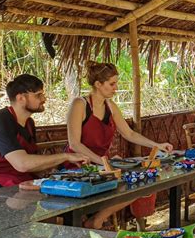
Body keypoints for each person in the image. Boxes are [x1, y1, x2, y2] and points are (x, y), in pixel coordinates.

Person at [66, 61, 173, 229]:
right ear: (98, 84)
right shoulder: (80, 104)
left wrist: (157, 145)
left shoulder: (111, 106)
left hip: (103, 166)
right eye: (112, 84)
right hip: (77, 166)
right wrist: (104, 162)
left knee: (139, 184)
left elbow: (128, 133)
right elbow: (75, 144)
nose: (115, 88)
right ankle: (93, 221)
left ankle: (97, 220)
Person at [0, 74, 89, 192]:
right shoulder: (0, 121)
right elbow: (22, 164)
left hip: (19, 178)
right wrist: (66, 156)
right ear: (21, 98)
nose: (44, 99)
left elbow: (29, 164)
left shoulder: (29, 123)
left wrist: (48, 170)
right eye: (38, 95)